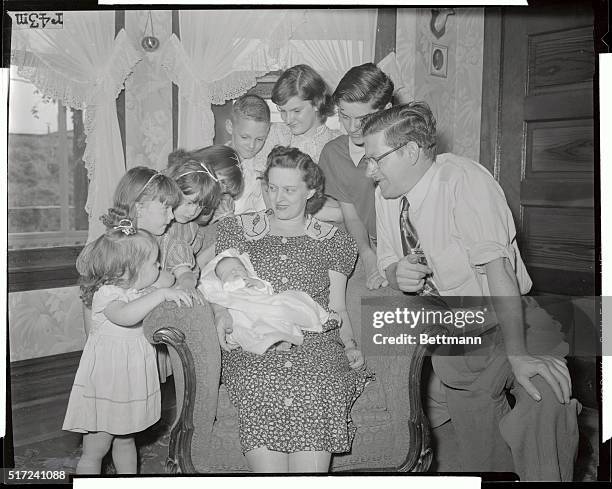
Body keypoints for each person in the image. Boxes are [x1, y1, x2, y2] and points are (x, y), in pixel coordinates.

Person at [362, 101, 580, 481]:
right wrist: (399, 274)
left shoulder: (464, 181)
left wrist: (520, 354)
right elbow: (387, 262)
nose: (369, 171)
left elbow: (500, 273)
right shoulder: (388, 195)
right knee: (484, 459)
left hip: (514, 319)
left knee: (547, 401)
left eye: (376, 159)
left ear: (410, 151)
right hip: (460, 336)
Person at [214, 146, 370, 472]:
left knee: (317, 385)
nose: (278, 198)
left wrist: (351, 344)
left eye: (289, 189)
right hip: (256, 341)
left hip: (315, 343)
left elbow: (337, 306)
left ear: (310, 190)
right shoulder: (238, 229)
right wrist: (221, 313)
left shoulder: (333, 239)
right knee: (261, 381)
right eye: (271, 188)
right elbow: (218, 284)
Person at [64, 224, 192, 474]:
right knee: (96, 449)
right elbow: (126, 316)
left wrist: (159, 282)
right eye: (154, 262)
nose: (159, 266)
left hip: (127, 383)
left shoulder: (135, 289)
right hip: (107, 385)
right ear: (126, 270)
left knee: (125, 439)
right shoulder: (108, 295)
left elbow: (167, 277)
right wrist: (160, 293)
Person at [318, 63, 394, 290]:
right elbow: (350, 216)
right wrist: (368, 255)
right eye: (344, 115)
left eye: (363, 118)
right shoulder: (333, 154)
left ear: (386, 109)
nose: (352, 127)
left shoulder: (402, 152)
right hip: (370, 244)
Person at [199, 248, 327, 355]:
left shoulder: (252, 281)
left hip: (262, 306)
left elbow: (267, 291)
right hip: (242, 311)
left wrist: (256, 283)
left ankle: (281, 338)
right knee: (243, 327)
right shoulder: (225, 289)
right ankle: (268, 343)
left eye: (238, 268)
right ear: (221, 280)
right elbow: (216, 297)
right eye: (226, 272)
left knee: (279, 311)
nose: (234, 271)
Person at [161, 157, 223, 302]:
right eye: (189, 203)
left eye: (200, 206)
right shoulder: (156, 219)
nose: (193, 212)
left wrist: (187, 284)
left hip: (179, 279)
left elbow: (187, 269)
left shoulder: (190, 228)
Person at [225, 94, 291, 214]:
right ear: (230, 127)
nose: (251, 145)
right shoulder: (216, 162)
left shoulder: (265, 165)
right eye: (245, 137)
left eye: (260, 139)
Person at [271, 64, 341, 163]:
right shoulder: (276, 135)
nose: (288, 120)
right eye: (282, 111)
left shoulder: (337, 143)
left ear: (317, 103)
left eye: (296, 111)